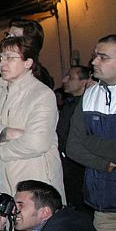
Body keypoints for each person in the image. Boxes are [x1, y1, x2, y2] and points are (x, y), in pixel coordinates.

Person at [0, 35, 65, 203]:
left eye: (10, 58)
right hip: (4, 184)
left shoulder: (41, 94)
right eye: (1, 57)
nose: (2, 63)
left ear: (28, 63)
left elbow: (37, 142)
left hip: (36, 182)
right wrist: (4, 133)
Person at [66, 34, 116, 231]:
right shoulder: (90, 95)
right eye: (95, 55)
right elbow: (72, 147)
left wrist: (89, 140)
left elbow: (82, 141)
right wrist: (105, 164)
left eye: (103, 57)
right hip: (103, 205)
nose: (94, 61)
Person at [0, 179, 95, 230]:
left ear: (45, 212)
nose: (13, 210)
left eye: (21, 205)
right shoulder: (63, 219)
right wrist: (0, 227)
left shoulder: (62, 227)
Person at [57, 65, 93, 209]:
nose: (64, 79)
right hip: (66, 163)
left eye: (70, 77)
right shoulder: (69, 103)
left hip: (79, 165)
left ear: (84, 82)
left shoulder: (87, 105)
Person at [6, 18, 54, 89]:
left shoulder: (40, 78)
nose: (7, 40)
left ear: (29, 44)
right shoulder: (2, 69)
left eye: (13, 37)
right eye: (8, 35)